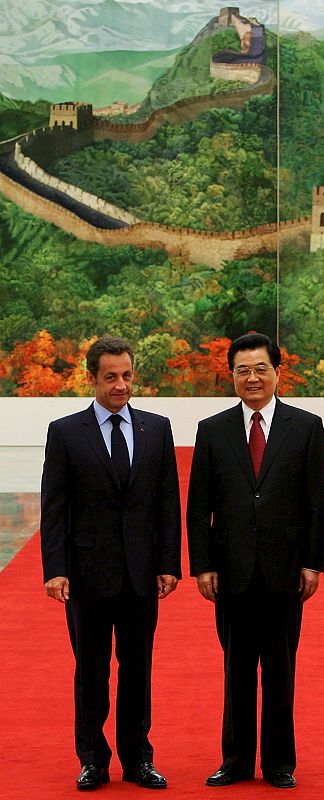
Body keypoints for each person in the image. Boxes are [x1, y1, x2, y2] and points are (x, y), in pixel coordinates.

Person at [187, 333, 324, 789]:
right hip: (230, 571)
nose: (252, 378)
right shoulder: (212, 430)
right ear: (231, 375)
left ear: (277, 372)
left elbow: (317, 503)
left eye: (260, 368)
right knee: (236, 669)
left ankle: (279, 763)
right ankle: (235, 761)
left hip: (285, 570)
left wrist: (312, 562)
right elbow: (198, 505)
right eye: (242, 370)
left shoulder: (305, 427)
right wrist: (203, 564)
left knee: (281, 669)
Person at [40, 335, 181, 791]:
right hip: (86, 575)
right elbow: (54, 507)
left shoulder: (156, 429)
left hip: (142, 575)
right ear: (92, 377)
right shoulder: (64, 432)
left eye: (126, 375)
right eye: (110, 377)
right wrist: (55, 569)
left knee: (138, 670)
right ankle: (92, 760)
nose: (120, 385)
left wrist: (168, 563)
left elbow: (166, 502)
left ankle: (139, 759)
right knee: (91, 672)